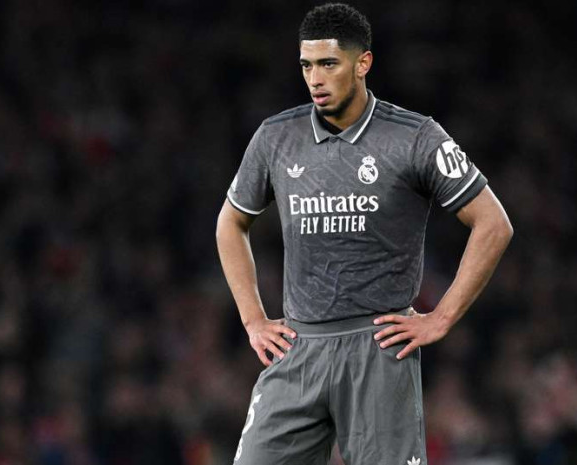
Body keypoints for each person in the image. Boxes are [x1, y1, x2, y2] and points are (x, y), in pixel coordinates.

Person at [216, 3, 513, 464]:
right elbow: (231, 223)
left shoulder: (415, 136)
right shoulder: (276, 137)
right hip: (299, 348)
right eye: (307, 66)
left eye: (328, 64)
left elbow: (493, 223)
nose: (315, 78)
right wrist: (253, 319)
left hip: (377, 349)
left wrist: (441, 318)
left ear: (363, 63)